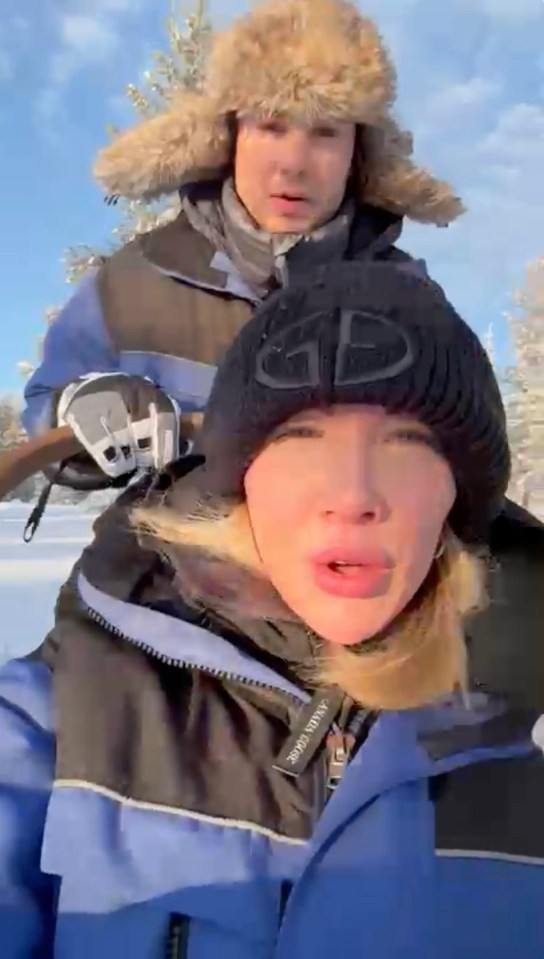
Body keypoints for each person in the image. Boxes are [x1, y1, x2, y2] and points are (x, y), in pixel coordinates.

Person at [1, 263, 543, 959]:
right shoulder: (70, 705)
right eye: (299, 438)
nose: (353, 493)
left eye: (408, 443)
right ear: (239, 481)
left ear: (460, 498)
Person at [22, 0, 462, 492]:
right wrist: (81, 406)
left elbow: (463, 456)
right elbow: (46, 404)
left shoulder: (409, 299)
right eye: (271, 126)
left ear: (357, 152)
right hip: (173, 559)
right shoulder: (135, 281)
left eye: (325, 132)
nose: (294, 163)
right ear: (230, 137)